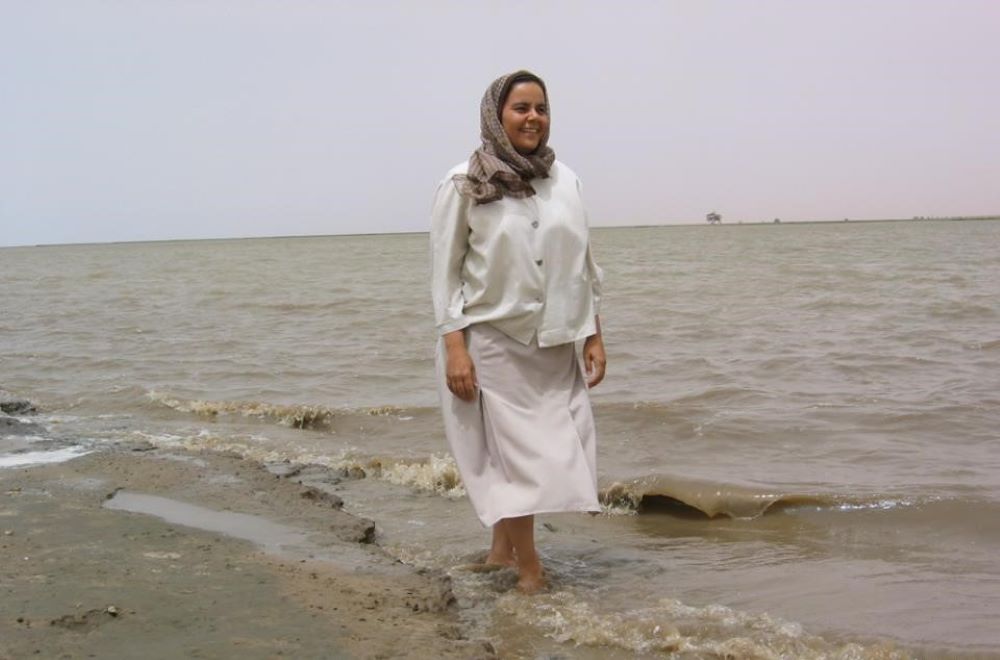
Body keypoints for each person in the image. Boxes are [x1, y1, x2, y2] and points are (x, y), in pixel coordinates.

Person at [430, 70, 606, 594]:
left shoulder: (565, 181)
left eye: (542, 109)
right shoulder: (463, 181)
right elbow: (444, 273)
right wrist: (454, 348)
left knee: (542, 453)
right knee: (519, 462)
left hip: (554, 342)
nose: (533, 118)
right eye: (521, 108)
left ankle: (504, 551)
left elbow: (583, 264)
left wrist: (594, 333)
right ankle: (531, 570)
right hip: (492, 340)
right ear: (496, 115)